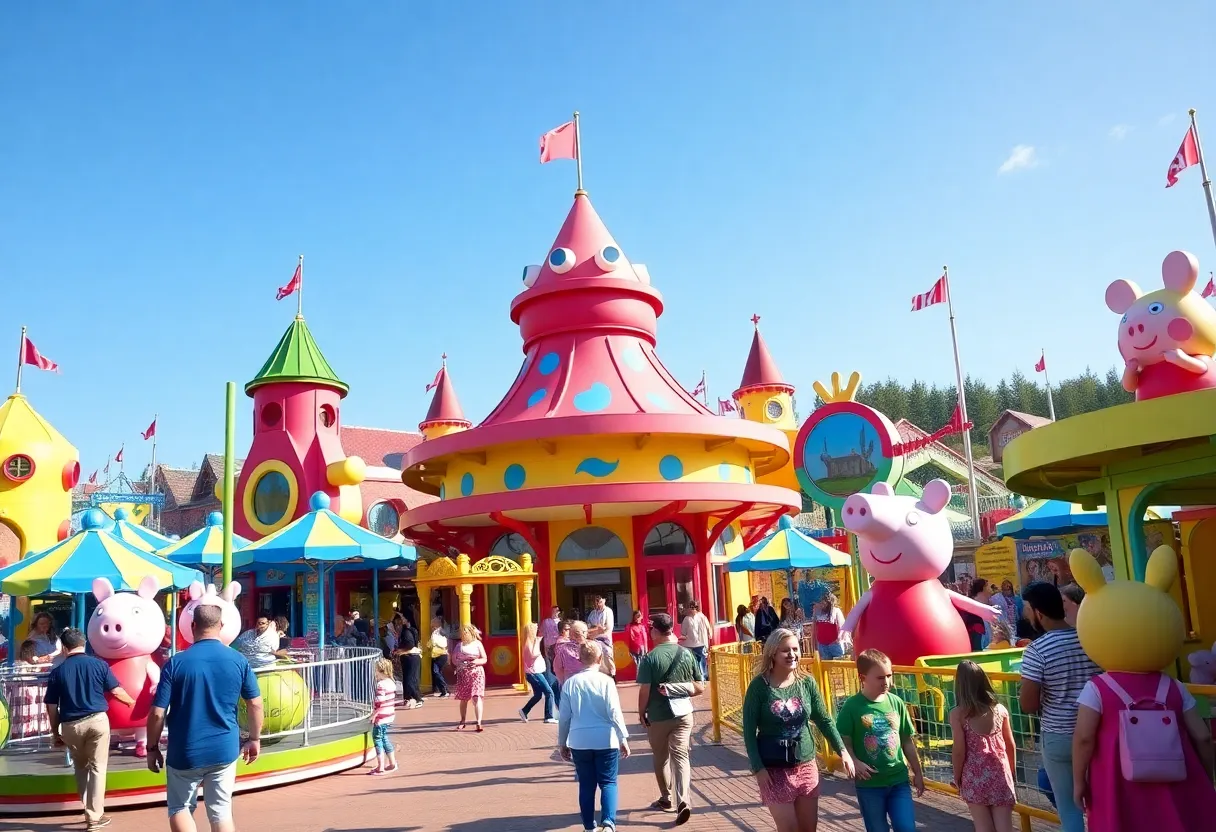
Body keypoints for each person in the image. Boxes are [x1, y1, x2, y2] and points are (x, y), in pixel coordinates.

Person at [147, 604, 263, 832]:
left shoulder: (175, 663)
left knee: (180, 807)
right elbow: (256, 703)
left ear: (192, 627)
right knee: (220, 809)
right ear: (221, 626)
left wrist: (152, 748)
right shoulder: (238, 661)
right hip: (224, 748)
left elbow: (157, 712)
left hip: (184, 751)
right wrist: (255, 738)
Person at [743, 627, 852, 832]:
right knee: (789, 829)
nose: (792, 654)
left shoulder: (806, 682)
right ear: (772, 653)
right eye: (785, 650)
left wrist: (842, 751)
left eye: (795, 648)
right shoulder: (759, 687)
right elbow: (748, 732)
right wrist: (758, 768)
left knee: (808, 828)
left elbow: (824, 720)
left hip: (805, 764)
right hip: (773, 770)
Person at [1018, 582, 1100, 832]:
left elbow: (1028, 705)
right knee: (1103, 802)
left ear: (1038, 612)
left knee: (1069, 808)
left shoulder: (1037, 650)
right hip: (1098, 732)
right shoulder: (1091, 640)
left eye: (1027, 610)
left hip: (1059, 737)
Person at [44, 627, 136, 831]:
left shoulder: (57, 673)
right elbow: (116, 691)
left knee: (80, 767)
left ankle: (88, 808)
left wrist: (55, 732)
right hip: (97, 721)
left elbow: (51, 706)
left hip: (70, 725)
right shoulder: (99, 665)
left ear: (65, 649)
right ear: (83, 644)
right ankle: (94, 817)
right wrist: (132, 703)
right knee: (97, 768)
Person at [836, 649, 925, 832]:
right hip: (870, 785)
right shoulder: (852, 706)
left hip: (898, 780)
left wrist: (918, 772)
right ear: (863, 677)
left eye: (889, 676)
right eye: (880, 677)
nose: (886, 682)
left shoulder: (896, 702)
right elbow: (843, 740)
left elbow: (906, 740)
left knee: (906, 827)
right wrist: (854, 761)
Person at [637, 613, 704, 825]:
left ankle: (666, 799)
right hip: (684, 714)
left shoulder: (650, 658)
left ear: (656, 631)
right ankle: (683, 799)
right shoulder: (686, 654)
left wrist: (641, 712)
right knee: (681, 757)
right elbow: (700, 686)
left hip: (658, 716)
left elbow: (644, 691)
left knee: (661, 757)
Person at [558, 640, 631, 832]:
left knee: (586, 784)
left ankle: (589, 826)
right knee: (608, 782)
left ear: (580, 659)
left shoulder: (569, 684)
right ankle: (608, 823)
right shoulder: (607, 682)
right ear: (600, 658)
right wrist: (623, 738)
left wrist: (562, 743)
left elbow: (564, 718)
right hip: (606, 738)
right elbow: (614, 712)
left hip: (579, 740)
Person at [950, 660, 1016, 832]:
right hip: (1000, 772)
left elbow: (959, 751)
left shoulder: (958, 714)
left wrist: (957, 777)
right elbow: (1010, 745)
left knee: (983, 827)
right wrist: (1012, 773)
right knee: (1005, 826)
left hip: (974, 775)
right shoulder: (1000, 709)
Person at [519, 622, 557, 724]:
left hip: (536, 672)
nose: (537, 631)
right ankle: (549, 716)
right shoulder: (528, 642)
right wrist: (537, 642)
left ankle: (524, 711)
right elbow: (532, 655)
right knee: (549, 692)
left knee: (538, 695)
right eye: (535, 630)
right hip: (534, 673)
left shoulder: (531, 642)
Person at [452, 624, 487, 732]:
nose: (464, 634)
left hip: (477, 673)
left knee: (477, 696)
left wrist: (476, 662)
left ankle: (479, 722)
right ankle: (462, 720)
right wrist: (460, 664)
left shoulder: (477, 644)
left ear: (471, 633)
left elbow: (484, 658)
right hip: (464, 674)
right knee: (464, 698)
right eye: (463, 632)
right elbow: (454, 659)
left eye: (466, 632)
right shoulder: (459, 645)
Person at [369, 657, 398, 775]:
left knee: (377, 739)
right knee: (384, 738)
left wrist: (373, 715)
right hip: (390, 715)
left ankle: (380, 766)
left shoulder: (381, 684)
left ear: (380, 671)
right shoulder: (392, 682)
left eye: (375, 670)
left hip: (381, 716)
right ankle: (392, 763)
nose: (374, 673)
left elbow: (379, 702)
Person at [393, 623, 425, 708]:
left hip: (411, 658)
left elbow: (410, 645)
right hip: (407, 658)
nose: (396, 626)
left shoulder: (406, 632)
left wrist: (400, 651)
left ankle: (418, 698)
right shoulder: (402, 633)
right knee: (407, 679)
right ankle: (408, 698)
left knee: (411, 680)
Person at [585, 594, 616, 678]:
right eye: (597, 602)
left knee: (607, 655)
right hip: (594, 638)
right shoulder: (593, 613)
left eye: (600, 601)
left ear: (604, 600)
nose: (598, 604)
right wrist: (596, 628)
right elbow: (588, 625)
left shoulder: (608, 611)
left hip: (605, 639)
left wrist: (596, 629)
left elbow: (607, 627)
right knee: (596, 656)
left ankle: (612, 675)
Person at [679, 600, 712, 679]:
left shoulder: (687, 619)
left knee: (694, 661)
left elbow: (683, 632)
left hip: (691, 644)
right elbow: (709, 630)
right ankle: (703, 676)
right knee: (701, 660)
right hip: (701, 643)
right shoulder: (702, 616)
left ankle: (696, 677)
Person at [810, 593, 849, 659]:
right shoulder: (818, 612)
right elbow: (815, 629)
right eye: (821, 601)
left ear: (829, 601)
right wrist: (815, 643)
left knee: (838, 666)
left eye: (823, 601)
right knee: (826, 666)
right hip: (822, 644)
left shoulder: (836, 611)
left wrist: (838, 639)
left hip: (834, 644)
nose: (821, 603)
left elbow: (842, 627)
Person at [555, 620, 592, 685]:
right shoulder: (593, 647)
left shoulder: (563, 648)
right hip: (588, 683)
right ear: (583, 633)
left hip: (569, 683)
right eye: (586, 632)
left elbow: (557, 669)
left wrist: (563, 683)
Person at [960, 578, 992, 651]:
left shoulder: (987, 600)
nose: (990, 589)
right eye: (988, 586)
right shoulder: (973, 601)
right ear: (983, 587)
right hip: (977, 630)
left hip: (984, 632)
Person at [427, 616, 450, 697]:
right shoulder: (438, 632)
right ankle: (444, 690)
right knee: (437, 672)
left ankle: (444, 689)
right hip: (439, 655)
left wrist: (432, 644)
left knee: (436, 672)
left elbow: (439, 643)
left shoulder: (438, 632)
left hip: (440, 654)